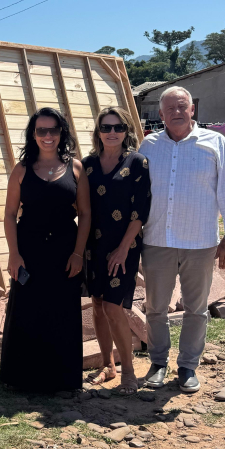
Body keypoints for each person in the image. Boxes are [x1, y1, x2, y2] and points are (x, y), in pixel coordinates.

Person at [138, 86, 225, 393]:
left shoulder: (215, 144)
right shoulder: (150, 145)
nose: (177, 112)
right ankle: (158, 363)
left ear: (192, 109)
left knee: (196, 308)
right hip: (157, 239)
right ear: (160, 115)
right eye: (170, 108)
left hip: (200, 241)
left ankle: (187, 367)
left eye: (182, 106)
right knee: (156, 307)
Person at [0, 107, 91, 394]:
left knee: (62, 312)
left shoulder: (76, 168)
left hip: (65, 251)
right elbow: (9, 214)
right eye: (41, 130)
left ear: (61, 132)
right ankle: (22, 378)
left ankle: (61, 380)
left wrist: (78, 253)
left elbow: (86, 214)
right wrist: (13, 254)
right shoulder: (22, 170)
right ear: (33, 134)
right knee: (27, 310)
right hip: (29, 250)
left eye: (53, 130)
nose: (47, 136)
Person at [82, 107, 151, 395]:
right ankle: (108, 365)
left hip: (124, 245)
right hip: (92, 245)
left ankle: (129, 373)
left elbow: (140, 210)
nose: (112, 132)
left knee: (113, 306)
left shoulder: (137, 163)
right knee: (97, 304)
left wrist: (123, 250)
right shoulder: (87, 165)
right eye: (106, 127)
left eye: (118, 127)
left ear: (126, 131)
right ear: (98, 132)